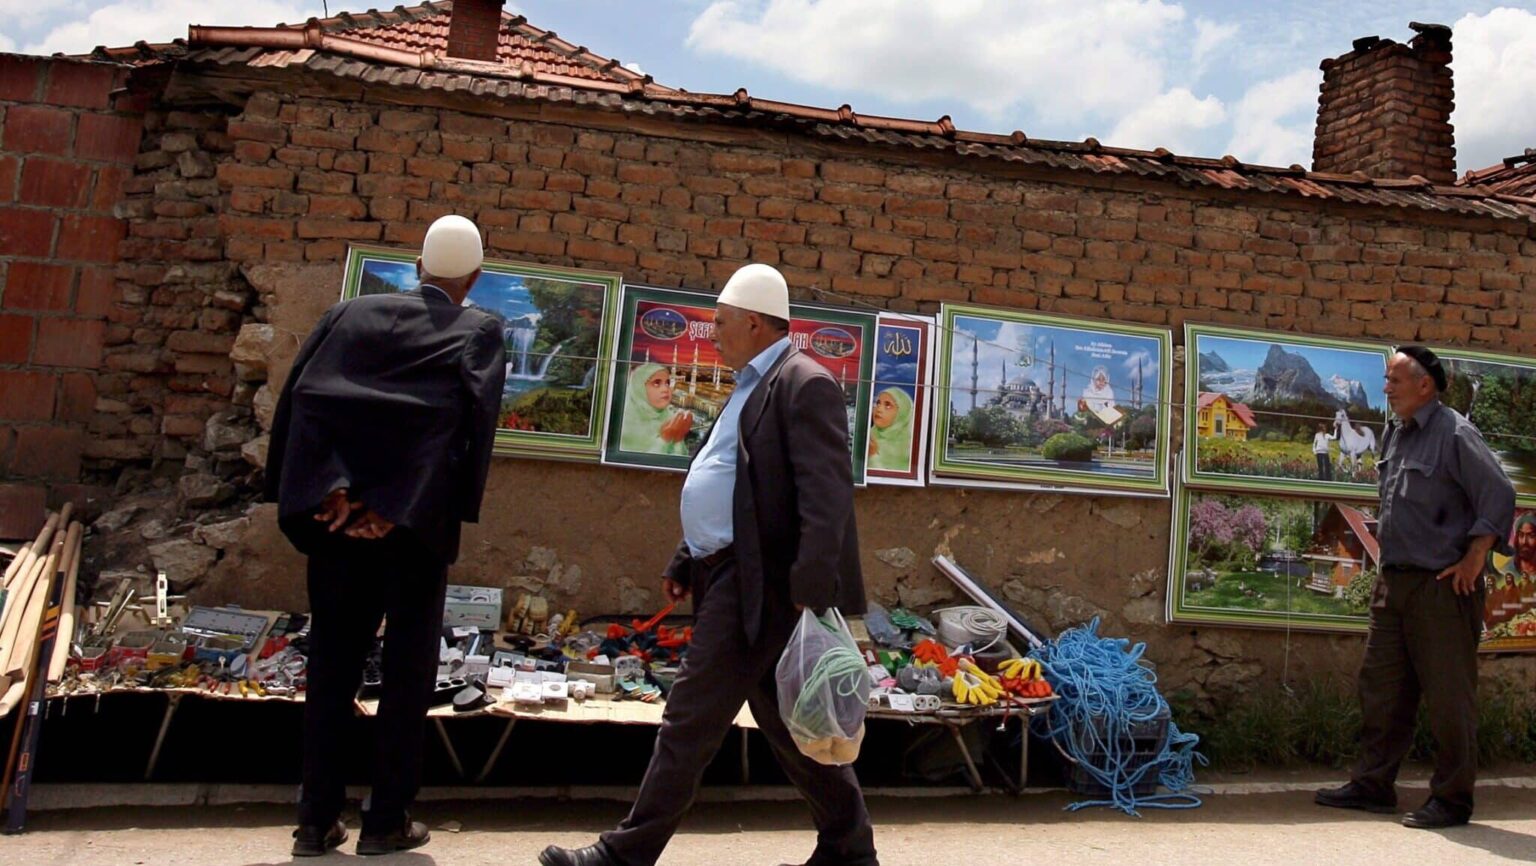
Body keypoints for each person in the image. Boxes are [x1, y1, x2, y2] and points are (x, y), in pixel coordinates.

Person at [540, 263, 878, 866]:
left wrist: (804, 587)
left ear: (753, 322)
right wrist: (685, 555)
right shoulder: (747, 385)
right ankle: (849, 850)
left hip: (765, 583)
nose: (713, 332)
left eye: (720, 323)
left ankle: (624, 855)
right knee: (786, 723)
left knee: (689, 721)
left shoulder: (804, 382)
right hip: (725, 573)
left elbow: (827, 497)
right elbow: (726, 478)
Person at [265, 215, 507, 857]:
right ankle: (385, 821)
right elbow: (462, 435)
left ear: (417, 265)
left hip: (337, 525)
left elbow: (304, 401)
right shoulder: (479, 330)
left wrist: (328, 494)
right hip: (414, 534)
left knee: (332, 666)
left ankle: (314, 821)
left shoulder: (347, 315)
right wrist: (401, 512)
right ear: (474, 277)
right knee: (406, 675)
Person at [1315, 345, 1513, 830]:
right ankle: (1373, 784)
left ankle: (1452, 800)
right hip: (1394, 584)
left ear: (1424, 385)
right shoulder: (1394, 434)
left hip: (1442, 588)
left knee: (1449, 697)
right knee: (1381, 688)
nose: (1386, 388)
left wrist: (1474, 556)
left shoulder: (1456, 434)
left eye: (1394, 380)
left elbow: (1499, 494)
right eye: (1385, 380)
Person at [618, 363, 691, 456]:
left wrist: (678, 438)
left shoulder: (670, 418)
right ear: (639, 387)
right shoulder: (624, 423)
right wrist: (665, 438)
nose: (665, 389)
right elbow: (633, 464)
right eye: (656, 383)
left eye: (667, 383)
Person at [867, 385, 914, 472]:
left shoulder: (910, 447)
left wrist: (872, 456)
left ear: (902, 413)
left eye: (888, 405)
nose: (879, 409)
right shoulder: (867, 436)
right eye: (878, 403)